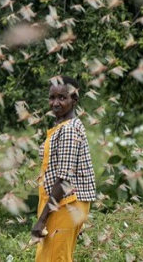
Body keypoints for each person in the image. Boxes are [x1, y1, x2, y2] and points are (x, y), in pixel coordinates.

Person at [31, 75, 96, 261]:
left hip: (66, 202)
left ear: (74, 100)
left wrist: (42, 219)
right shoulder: (61, 126)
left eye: (62, 97)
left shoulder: (68, 130)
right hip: (59, 203)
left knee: (56, 258)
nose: (55, 103)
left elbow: (65, 179)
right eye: (52, 97)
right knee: (49, 256)